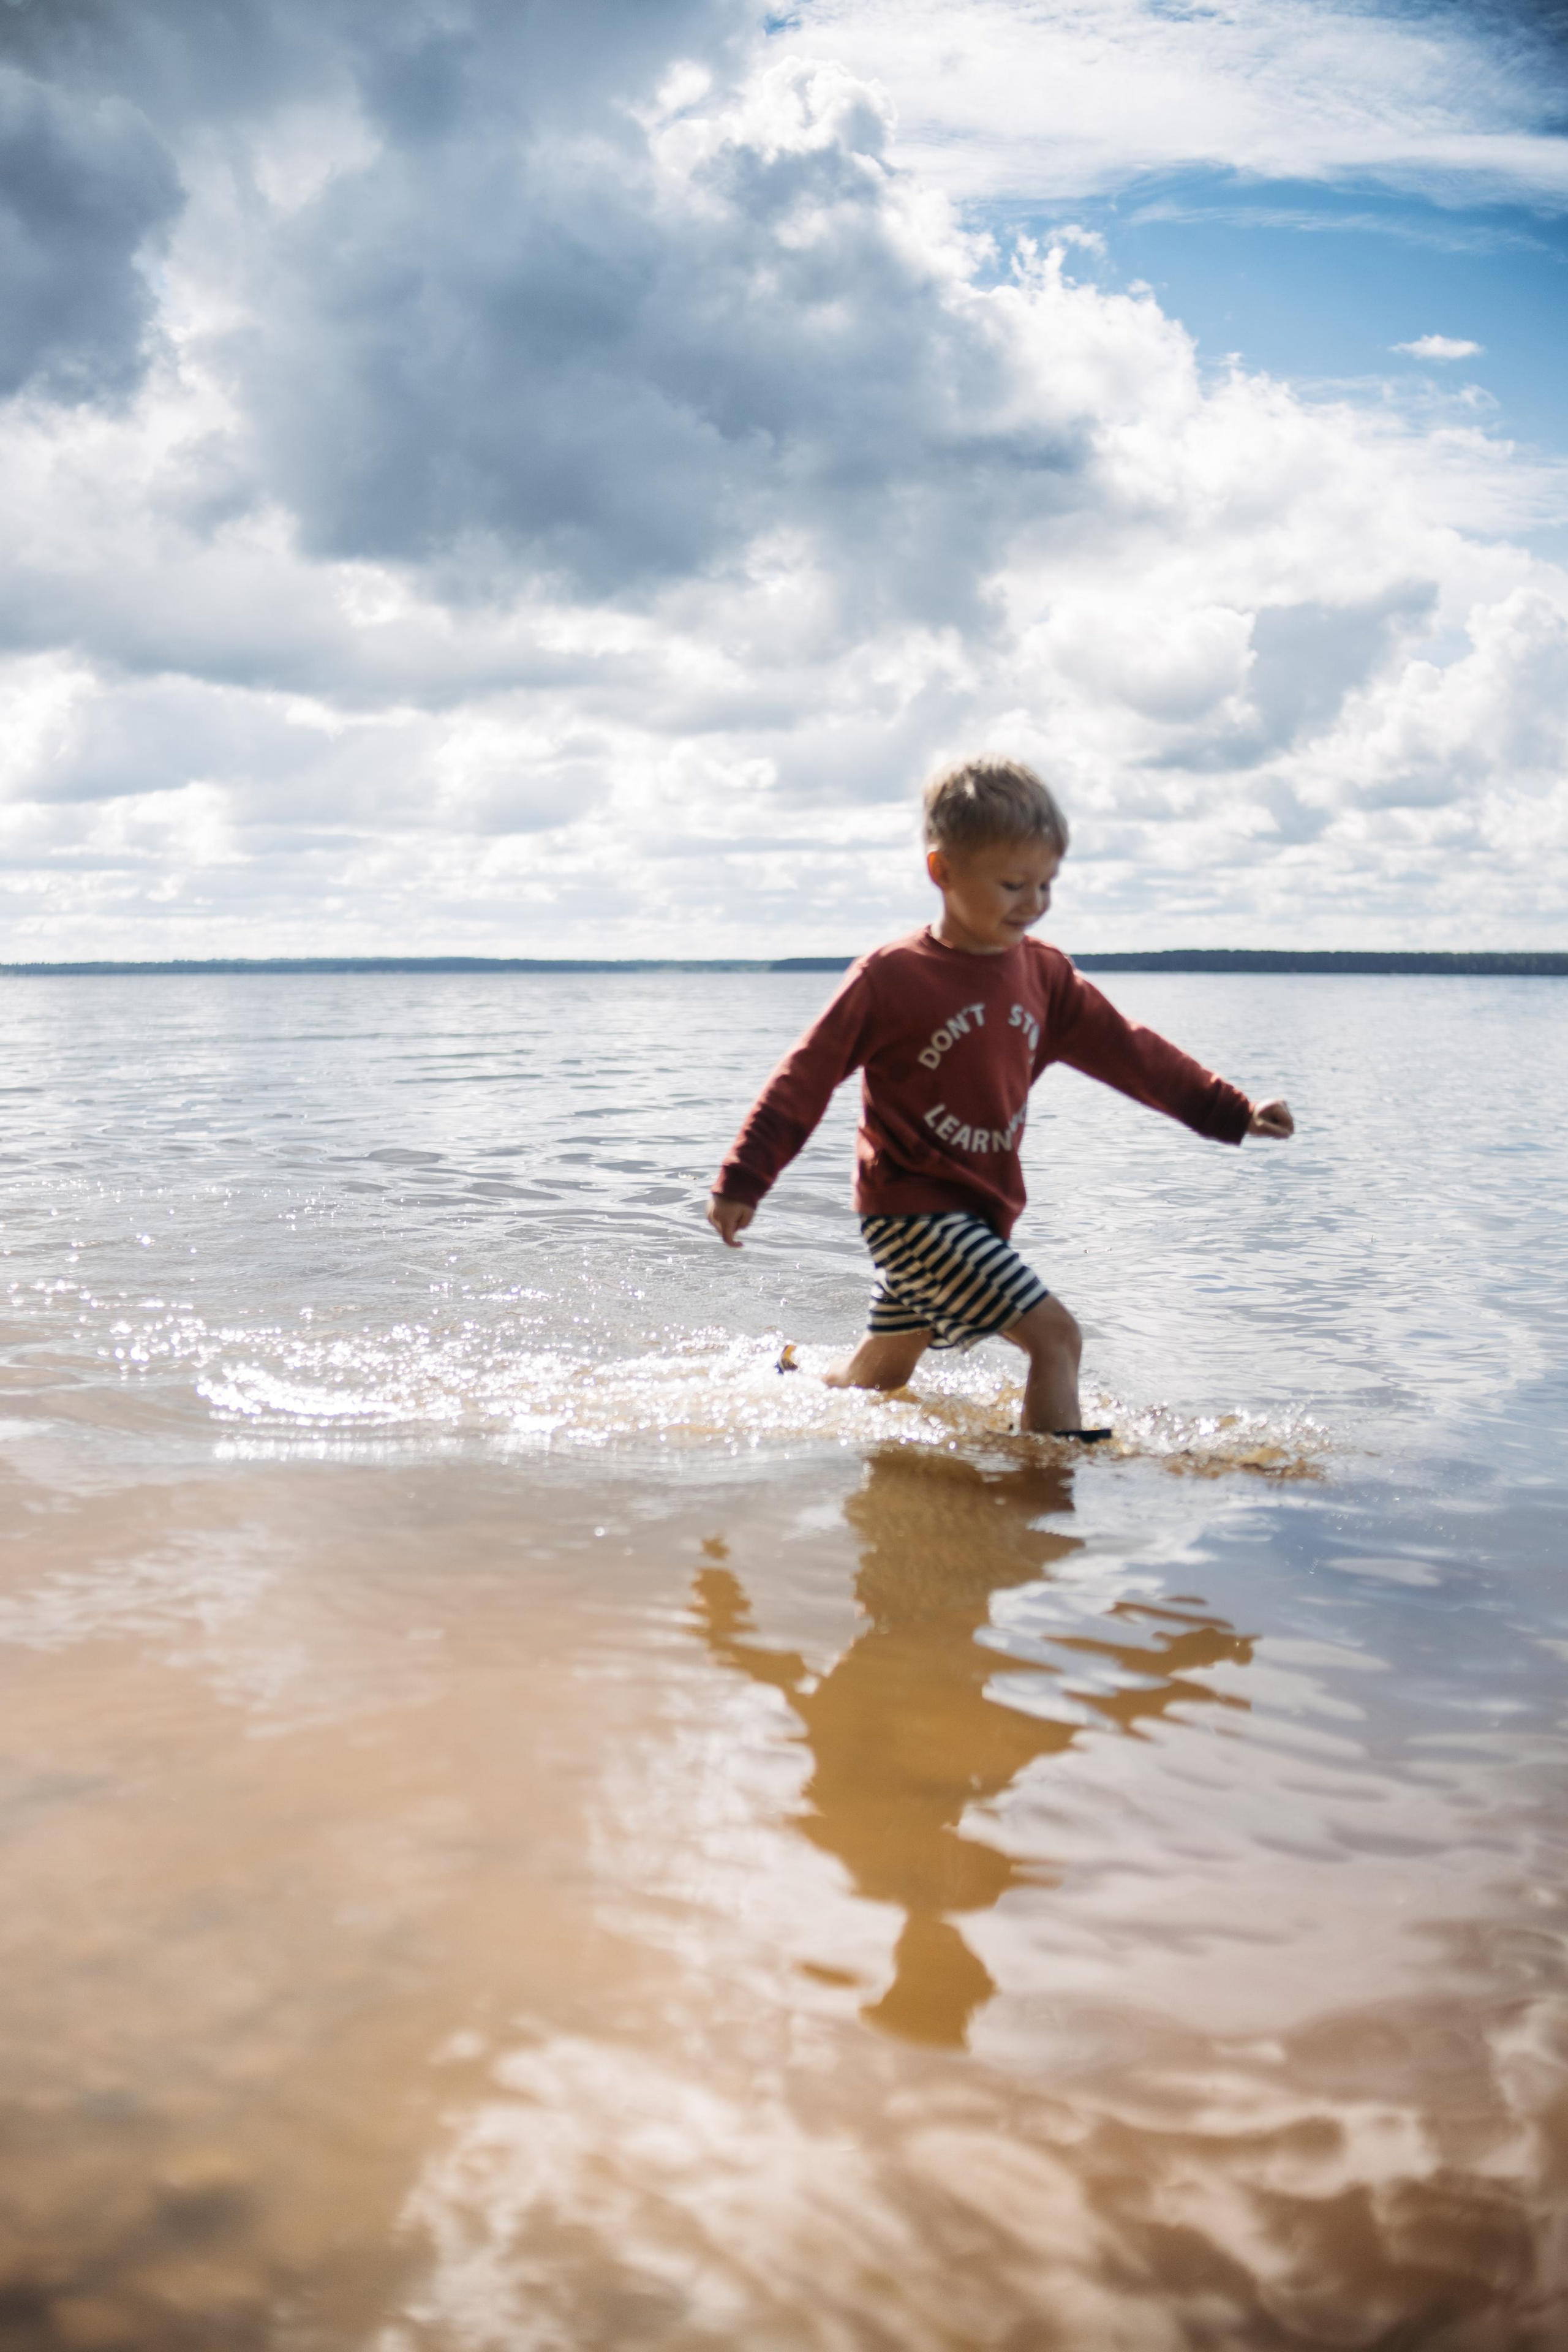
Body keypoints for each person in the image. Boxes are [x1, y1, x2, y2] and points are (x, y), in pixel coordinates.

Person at [706, 756, 1294, 1438]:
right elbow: (802, 1078)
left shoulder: (1044, 977)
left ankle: (791, 1384)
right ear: (943, 872)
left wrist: (1231, 1109)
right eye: (1013, 883)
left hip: (979, 1209)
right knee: (1056, 1339)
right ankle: (1046, 1488)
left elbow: (1134, 1054)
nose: (1033, 902)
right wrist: (745, 1179)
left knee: (886, 1372)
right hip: (910, 1208)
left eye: (1046, 884)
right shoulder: (893, 977)